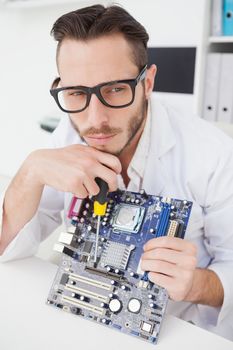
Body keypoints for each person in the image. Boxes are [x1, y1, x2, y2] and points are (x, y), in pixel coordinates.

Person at [0, 4, 233, 340]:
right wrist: (30, 172)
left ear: (148, 82)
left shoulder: (213, 155)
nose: (95, 119)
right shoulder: (67, 135)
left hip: (176, 332)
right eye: (77, 93)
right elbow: (8, 245)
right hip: (81, 323)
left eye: (114, 89)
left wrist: (195, 283)